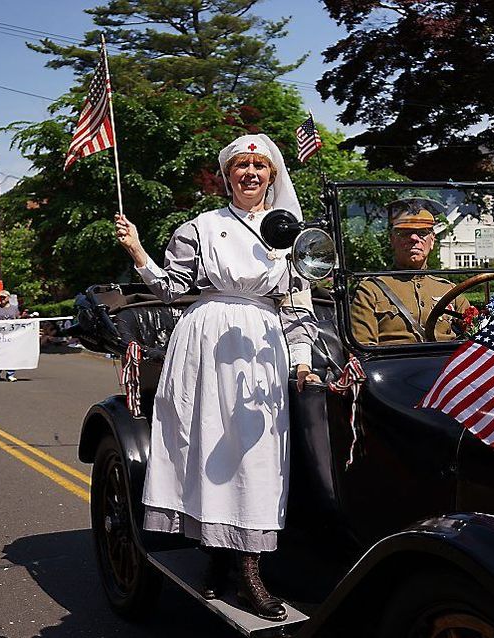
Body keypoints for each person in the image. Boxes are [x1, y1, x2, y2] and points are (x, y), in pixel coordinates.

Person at [114, 133, 320, 621]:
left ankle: (248, 569)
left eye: (260, 165)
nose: (251, 173)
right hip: (205, 338)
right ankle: (216, 556)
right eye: (241, 166)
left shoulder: (291, 232)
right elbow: (172, 288)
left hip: (260, 345)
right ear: (227, 175)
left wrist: (302, 360)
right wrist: (139, 251)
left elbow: (297, 303)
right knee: (206, 446)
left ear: (272, 174)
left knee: (255, 455)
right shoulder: (201, 228)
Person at [349, 200, 468, 344]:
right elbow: (364, 349)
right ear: (392, 240)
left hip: (447, 363)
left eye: (422, 233)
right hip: (394, 364)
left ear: (432, 241)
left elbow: (477, 335)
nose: (414, 238)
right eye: (405, 233)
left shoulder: (449, 291)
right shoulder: (371, 290)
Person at [0, 289, 18, 382]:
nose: (2, 299)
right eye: (0, 298)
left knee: (11, 355)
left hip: (11, 336)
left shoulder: (14, 309)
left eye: (4, 297)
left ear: (8, 298)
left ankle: (10, 374)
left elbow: (19, 320)